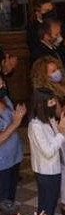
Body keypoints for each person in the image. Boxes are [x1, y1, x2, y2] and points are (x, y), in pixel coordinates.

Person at [29, 88, 65, 215]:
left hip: (54, 169)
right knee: (46, 206)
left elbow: (61, 137)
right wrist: (61, 132)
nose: (54, 105)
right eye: (50, 102)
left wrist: (64, 127)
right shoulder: (35, 126)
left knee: (50, 205)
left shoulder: (50, 119)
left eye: (53, 101)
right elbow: (48, 151)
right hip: (45, 171)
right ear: (40, 104)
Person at [0, 74, 24, 202]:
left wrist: (19, 114)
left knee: (10, 198)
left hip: (14, 157)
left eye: (2, 82)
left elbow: (14, 120)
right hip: (2, 163)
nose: (2, 86)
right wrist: (15, 123)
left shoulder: (5, 99)